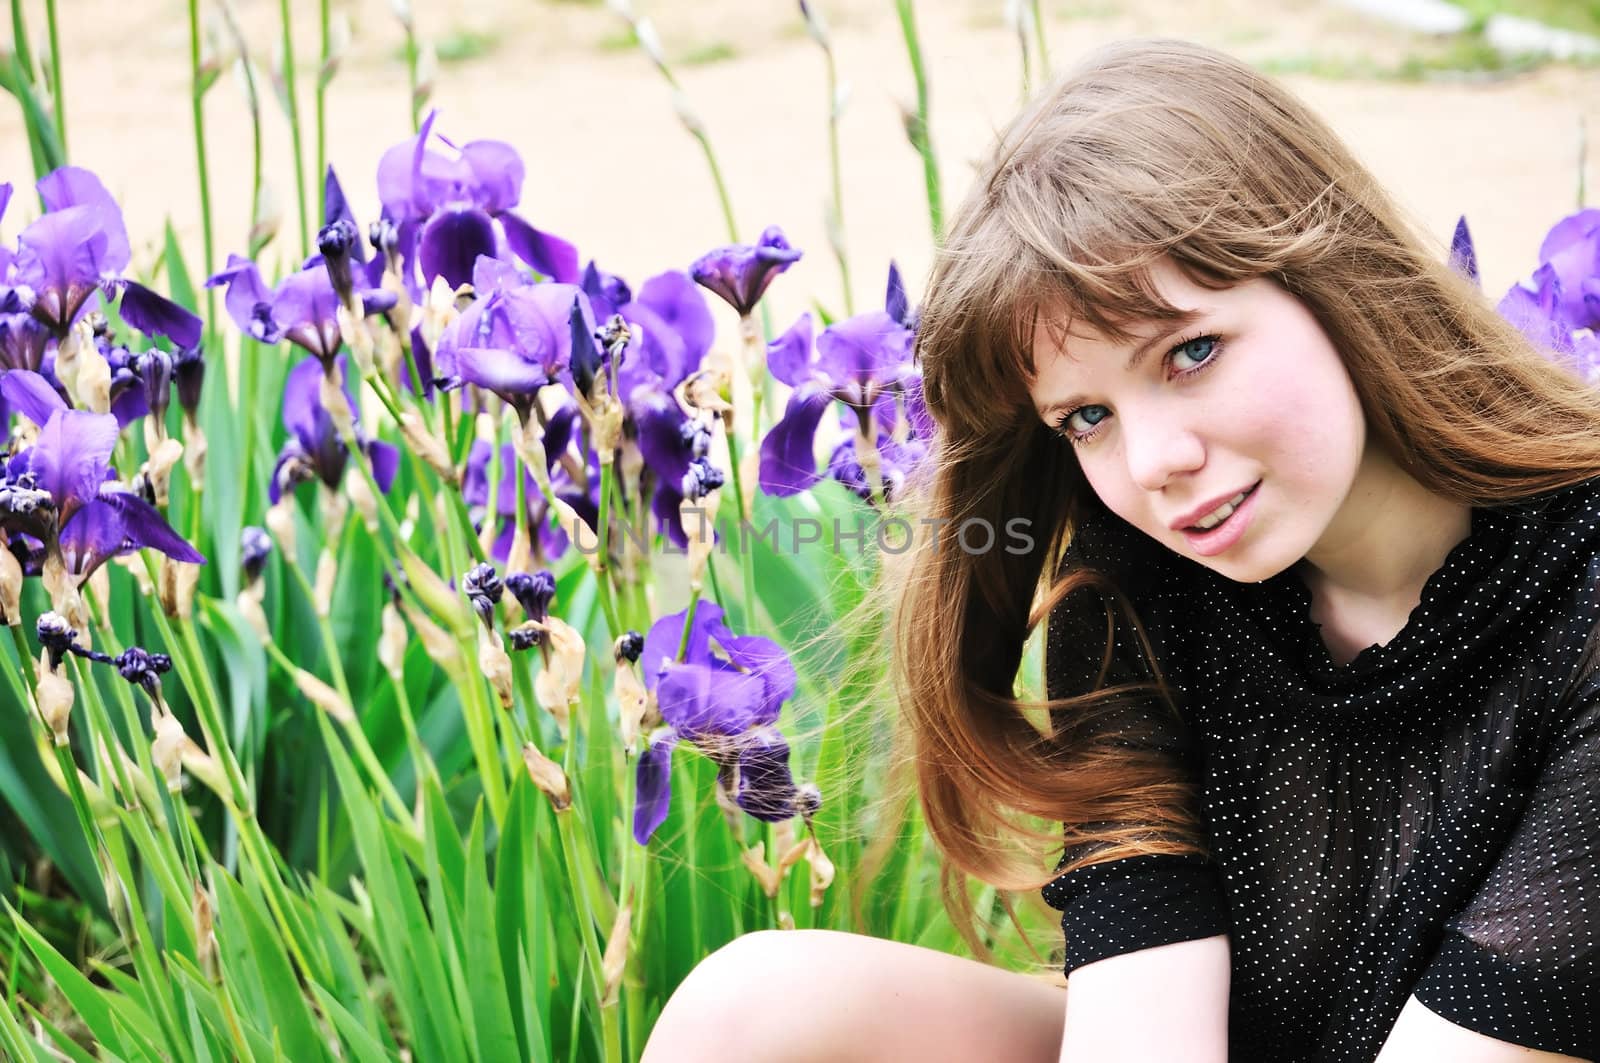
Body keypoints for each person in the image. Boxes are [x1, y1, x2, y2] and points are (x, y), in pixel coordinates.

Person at [642, 37, 1599, 1062]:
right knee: (754, 1007)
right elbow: (1143, 1034)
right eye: (1086, 414)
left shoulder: (1577, 598)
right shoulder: (1141, 581)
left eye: (1190, 352)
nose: (1155, 462)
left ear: (1336, 280)